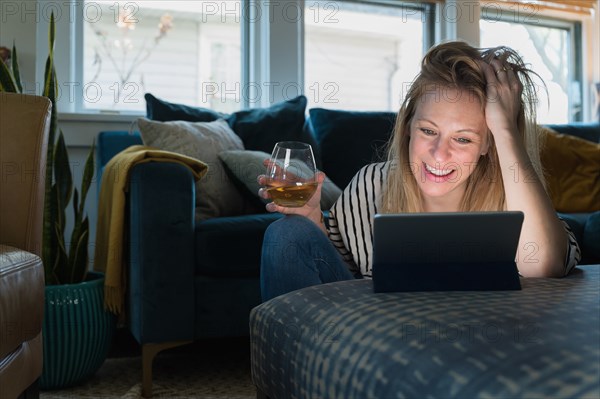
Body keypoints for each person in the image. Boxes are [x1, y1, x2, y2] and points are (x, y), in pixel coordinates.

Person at [258, 41, 581, 301]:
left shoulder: (516, 193)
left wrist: (506, 131)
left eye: (464, 138)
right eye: (428, 131)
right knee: (287, 232)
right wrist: (313, 223)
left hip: (481, 343)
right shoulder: (372, 182)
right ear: (408, 127)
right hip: (380, 338)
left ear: (489, 144)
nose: (440, 154)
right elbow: (344, 284)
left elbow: (544, 265)